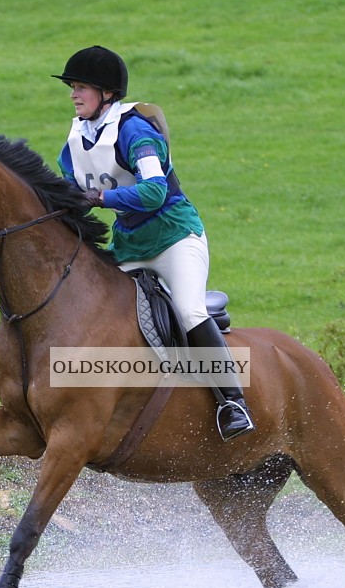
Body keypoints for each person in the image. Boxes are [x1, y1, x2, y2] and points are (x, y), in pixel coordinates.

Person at [53, 45, 255, 441]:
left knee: (189, 310)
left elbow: (154, 193)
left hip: (175, 238)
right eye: (72, 88)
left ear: (107, 93)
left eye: (81, 88)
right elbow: (66, 187)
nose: (74, 95)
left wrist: (101, 199)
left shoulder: (135, 132)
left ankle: (233, 403)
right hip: (130, 245)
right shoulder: (78, 136)